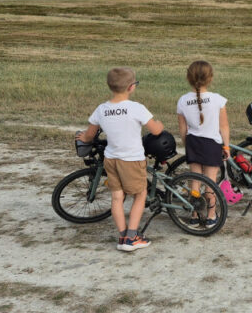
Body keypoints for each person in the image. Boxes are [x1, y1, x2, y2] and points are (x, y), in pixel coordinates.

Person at [75, 67, 164, 251]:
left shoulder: (102, 109)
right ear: (132, 87)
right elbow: (155, 130)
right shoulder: (136, 108)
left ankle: (122, 235)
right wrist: (160, 125)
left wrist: (82, 138)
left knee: (117, 197)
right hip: (132, 159)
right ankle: (132, 237)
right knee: (140, 194)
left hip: (111, 159)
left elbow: (90, 135)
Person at [176, 60, 230, 225]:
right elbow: (224, 126)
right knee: (210, 182)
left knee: (195, 180)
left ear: (188, 78)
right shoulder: (218, 99)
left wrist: (188, 145)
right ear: (210, 78)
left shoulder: (182, 100)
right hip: (211, 143)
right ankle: (211, 215)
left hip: (193, 142)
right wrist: (226, 146)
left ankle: (194, 215)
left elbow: (183, 130)